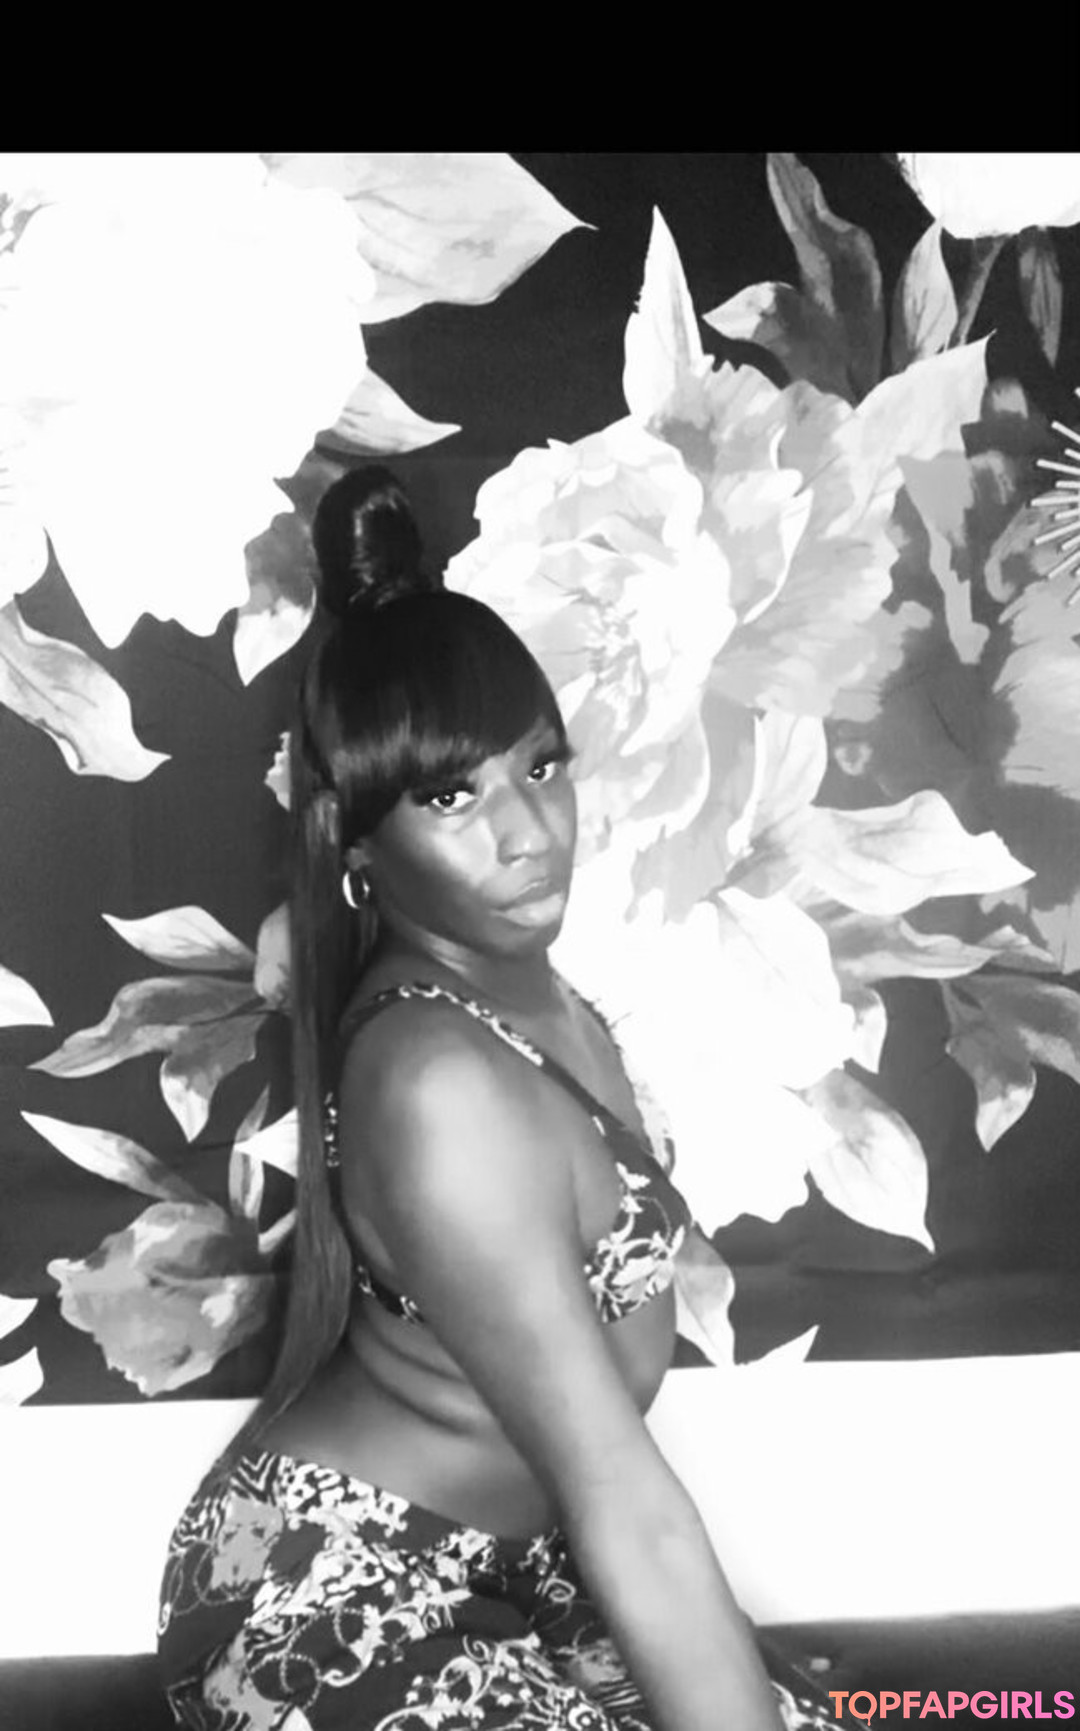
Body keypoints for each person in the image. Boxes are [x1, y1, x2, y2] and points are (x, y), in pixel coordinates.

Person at [157, 467, 832, 1731]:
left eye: (541, 767)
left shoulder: (540, 997)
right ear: (358, 843)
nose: (529, 834)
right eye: (450, 796)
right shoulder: (436, 1084)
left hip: (515, 1563)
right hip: (323, 1593)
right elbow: (619, 1488)